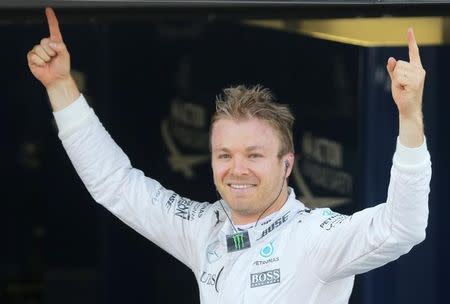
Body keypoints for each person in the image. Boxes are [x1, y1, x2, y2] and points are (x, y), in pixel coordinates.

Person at [27, 8, 431, 304]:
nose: (237, 169)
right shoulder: (205, 228)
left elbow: (403, 228)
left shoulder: (315, 238)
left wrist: (410, 117)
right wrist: (61, 87)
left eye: (254, 155)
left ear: (286, 164)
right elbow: (114, 184)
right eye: (225, 155)